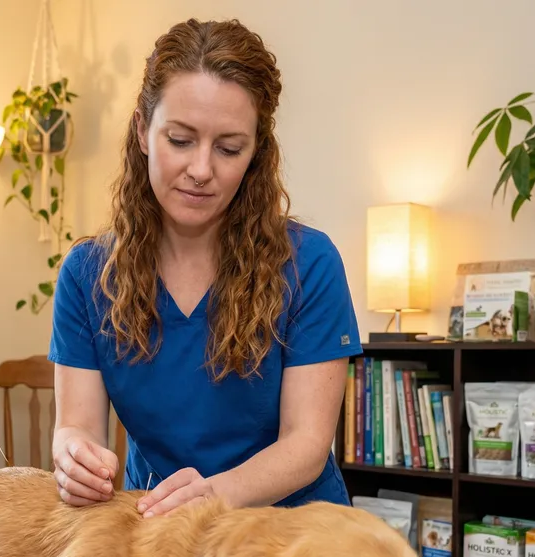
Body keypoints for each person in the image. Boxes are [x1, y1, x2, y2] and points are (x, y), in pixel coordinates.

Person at [47, 17, 363, 517]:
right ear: (142, 131)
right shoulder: (88, 275)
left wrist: (213, 497)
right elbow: (78, 426)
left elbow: (306, 444)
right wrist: (74, 457)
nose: (201, 170)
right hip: (155, 528)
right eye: (180, 139)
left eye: (229, 148)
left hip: (290, 536)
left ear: (255, 150)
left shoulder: (309, 264)